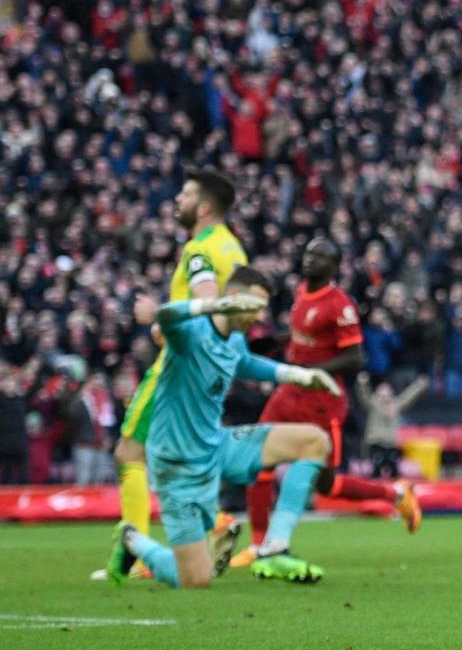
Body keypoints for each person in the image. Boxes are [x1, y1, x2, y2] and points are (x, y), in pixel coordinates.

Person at [105, 267, 341, 588]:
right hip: (178, 466)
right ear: (232, 298)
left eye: (262, 308)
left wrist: (300, 376)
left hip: (218, 446)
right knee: (195, 581)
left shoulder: (236, 340)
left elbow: (245, 363)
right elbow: (167, 317)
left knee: (314, 441)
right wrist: (211, 306)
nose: (258, 315)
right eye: (253, 305)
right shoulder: (192, 332)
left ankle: (273, 549)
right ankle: (132, 541)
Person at [233, 239, 421, 569]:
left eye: (320, 257)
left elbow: (354, 358)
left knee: (327, 485)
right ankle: (259, 544)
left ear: (334, 267)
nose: (310, 260)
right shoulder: (302, 292)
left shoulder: (339, 306)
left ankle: (395, 495)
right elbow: (298, 336)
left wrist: (311, 372)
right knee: (256, 462)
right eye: (308, 253)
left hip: (321, 402)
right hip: (288, 393)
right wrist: (266, 345)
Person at [112, 168, 248, 563]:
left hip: (180, 365)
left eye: (185, 195)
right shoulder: (234, 249)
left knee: (129, 451)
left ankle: (134, 556)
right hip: (216, 365)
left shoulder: (199, 249)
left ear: (204, 207)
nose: (177, 200)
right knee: (183, 456)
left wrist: (166, 326)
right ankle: (216, 523)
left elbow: (205, 301)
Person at [358, 372, 429, 479]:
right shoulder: (373, 404)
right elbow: (363, 396)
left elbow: (408, 396)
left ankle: (394, 492)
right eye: (382, 389)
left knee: (394, 468)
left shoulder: (395, 405)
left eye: (387, 389)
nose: (385, 391)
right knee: (377, 467)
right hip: (376, 443)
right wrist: (362, 384)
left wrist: (419, 385)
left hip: (391, 443)